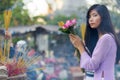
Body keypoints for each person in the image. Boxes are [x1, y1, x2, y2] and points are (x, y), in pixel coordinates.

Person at [69, 4, 120, 80]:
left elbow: (92, 65)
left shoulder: (106, 38)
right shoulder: (102, 38)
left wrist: (80, 47)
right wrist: (80, 47)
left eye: (94, 15)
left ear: (103, 18)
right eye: (89, 16)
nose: (91, 19)